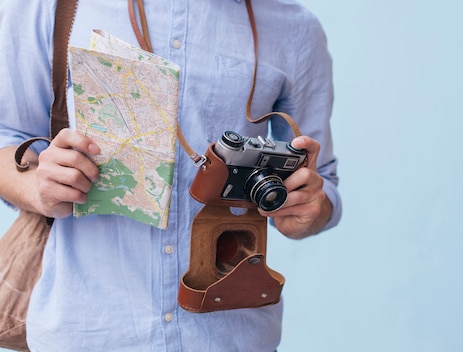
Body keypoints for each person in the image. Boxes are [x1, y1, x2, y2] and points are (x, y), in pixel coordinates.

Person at [0, 0, 341, 350]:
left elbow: (322, 183)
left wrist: (308, 209)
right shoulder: (47, 6)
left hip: (230, 337)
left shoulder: (295, 28)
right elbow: (5, 138)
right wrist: (40, 188)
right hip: (89, 330)